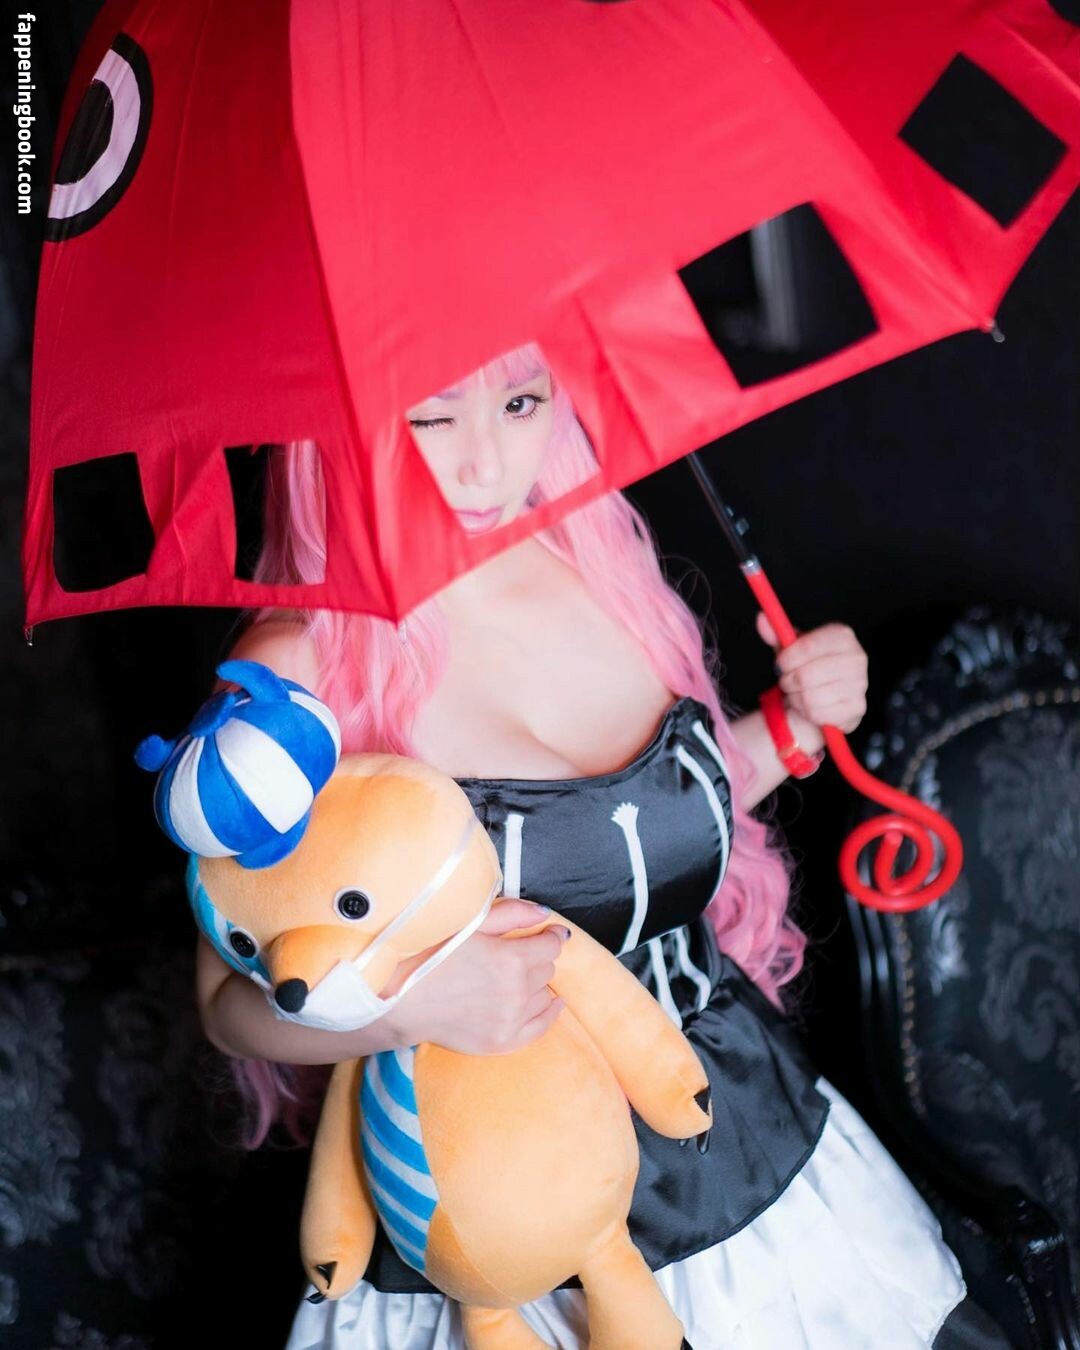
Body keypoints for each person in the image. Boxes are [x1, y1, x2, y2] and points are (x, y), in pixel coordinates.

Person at [195, 341, 1008, 1348]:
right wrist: (412, 1005)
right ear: (339, 427)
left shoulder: (600, 573)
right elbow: (225, 1005)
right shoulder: (295, 670)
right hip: (494, 1186)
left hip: (731, 1118)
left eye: (521, 402)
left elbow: (650, 824)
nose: (487, 462)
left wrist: (793, 726)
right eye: (431, 416)